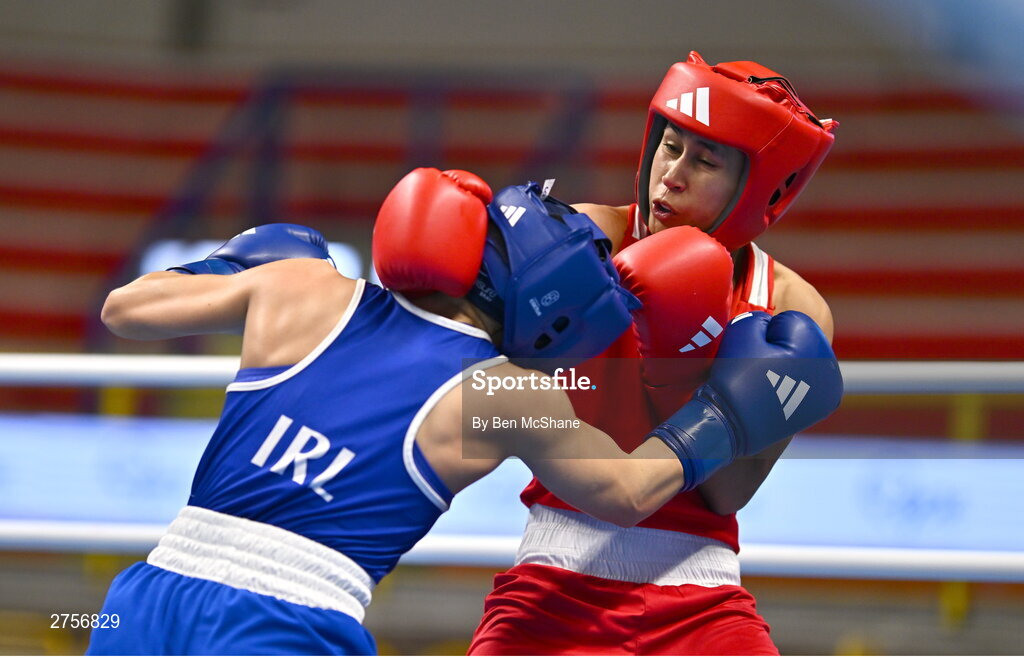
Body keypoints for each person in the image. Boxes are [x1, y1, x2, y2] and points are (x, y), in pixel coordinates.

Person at [85, 167, 842, 655]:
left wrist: (241, 261)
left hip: (143, 599)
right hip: (284, 625)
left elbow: (125, 308)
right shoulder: (502, 391)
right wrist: (725, 414)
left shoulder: (307, 288)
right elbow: (625, 491)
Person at [469, 52, 840, 655]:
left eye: (705, 161)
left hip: (703, 594)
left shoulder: (789, 308)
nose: (671, 175)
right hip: (554, 572)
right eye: (670, 147)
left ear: (760, 188)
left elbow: (728, 494)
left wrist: (684, 370)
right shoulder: (582, 244)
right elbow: (479, 406)